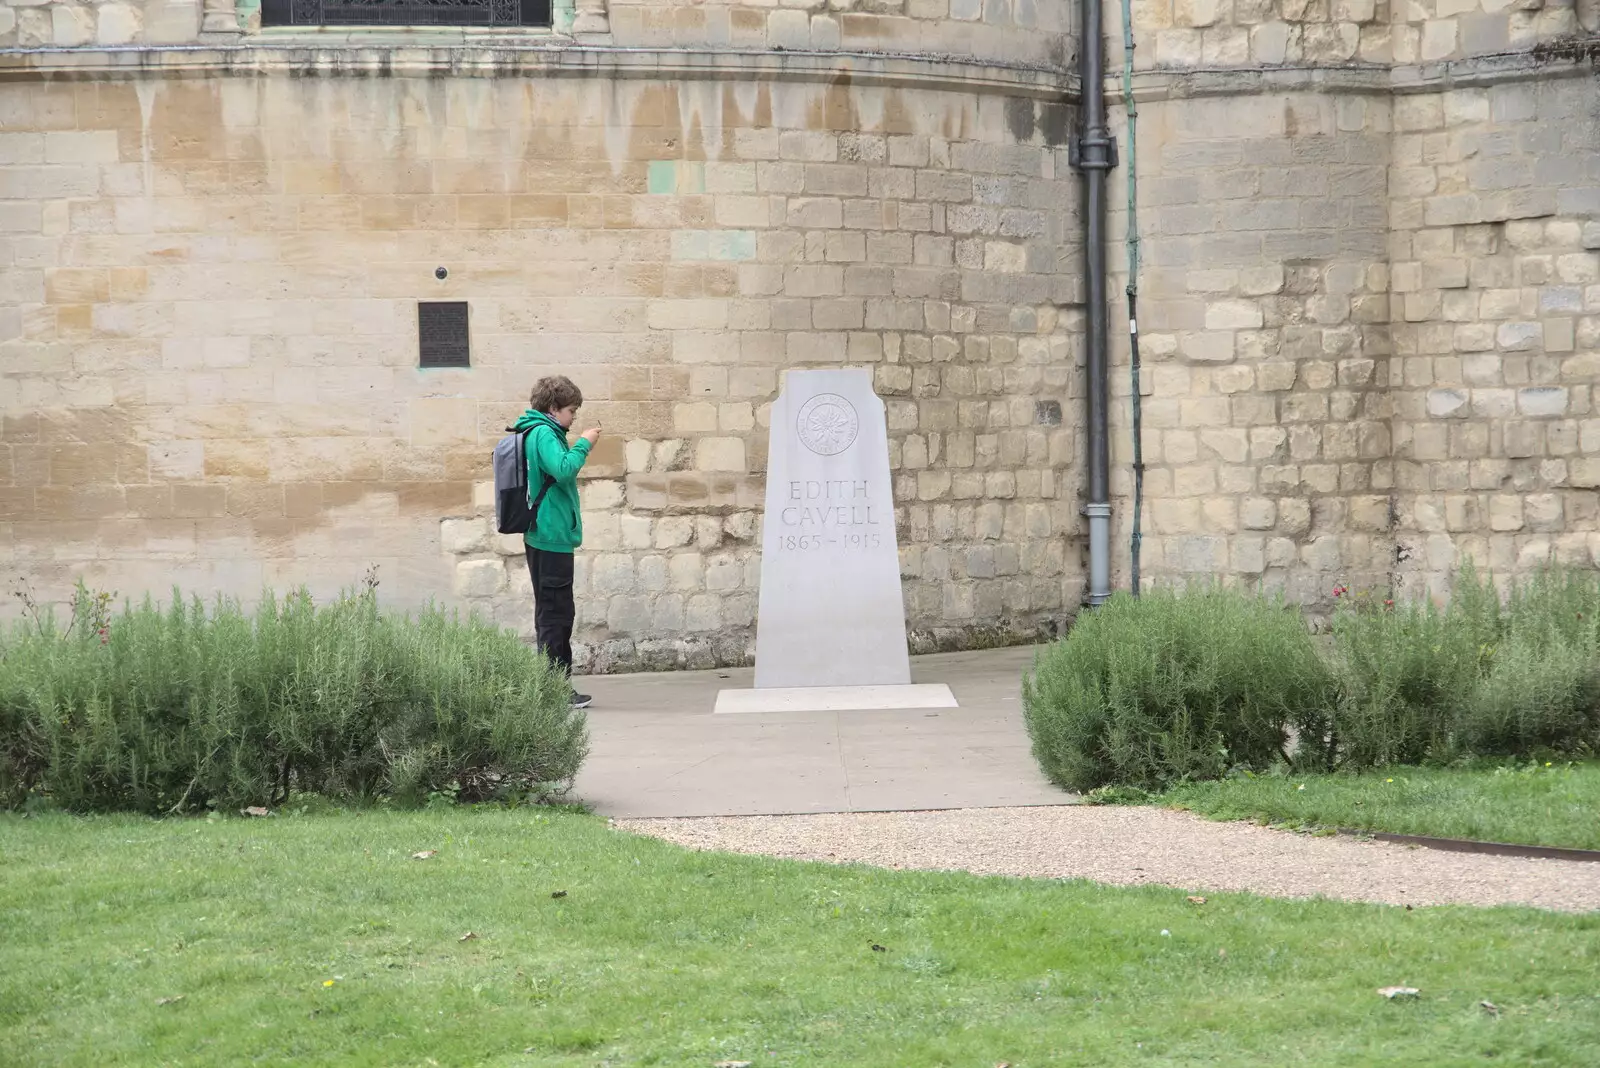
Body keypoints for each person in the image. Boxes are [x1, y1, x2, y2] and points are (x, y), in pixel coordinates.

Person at [513, 376, 601, 709]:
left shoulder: (540, 432)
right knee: (555, 614)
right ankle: (554, 690)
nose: (574, 417)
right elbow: (563, 470)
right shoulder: (543, 433)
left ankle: (555, 686)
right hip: (549, 536)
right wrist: (584, 444)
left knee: (556, 612)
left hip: (550, 536)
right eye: (571, 411)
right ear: (553, 408)